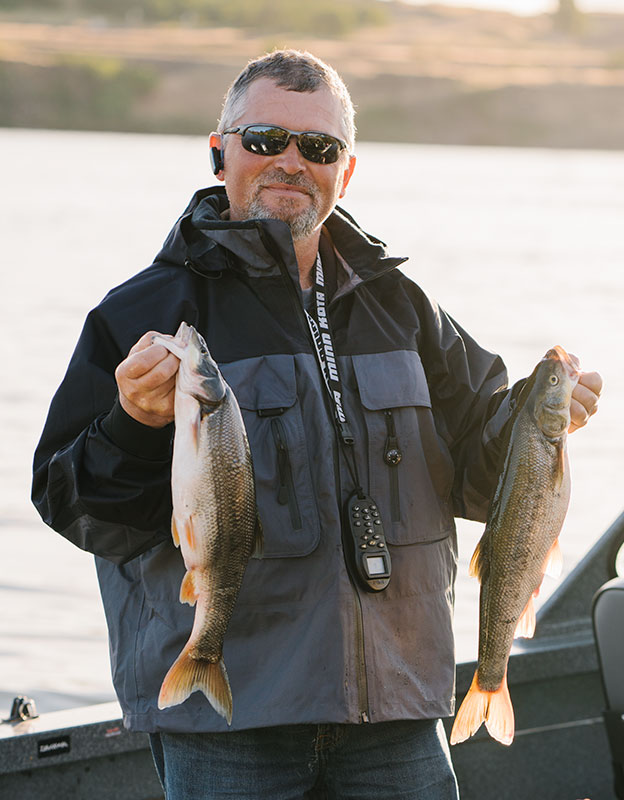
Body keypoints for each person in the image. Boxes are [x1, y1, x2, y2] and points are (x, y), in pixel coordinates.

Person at [32, 49, 602, 799]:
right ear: (219, 151)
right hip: (230, 724)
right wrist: (135, 424)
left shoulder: (404, 305)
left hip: (398, 716)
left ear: (348, 170)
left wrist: (541, 418)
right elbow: (75, 507)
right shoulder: (141, 314)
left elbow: (480, 473)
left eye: (319, 147)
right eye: (266, 140)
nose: (292, 162)